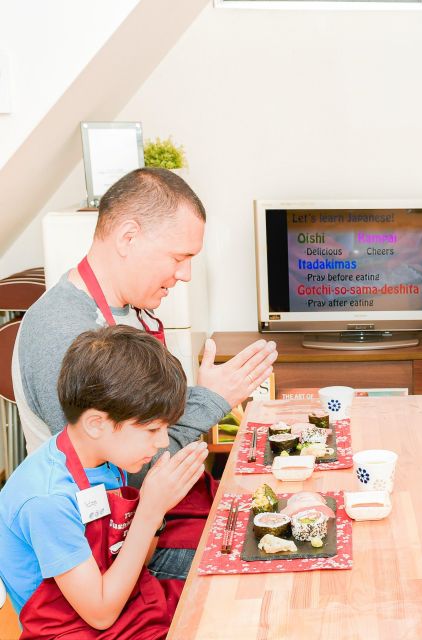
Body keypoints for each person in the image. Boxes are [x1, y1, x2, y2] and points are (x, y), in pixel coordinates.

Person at [11, 167, 277, 579]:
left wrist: (200, 395)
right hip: (106, 554)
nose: (186, 274)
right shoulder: (63, 332)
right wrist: (210, 401)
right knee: (267, 560)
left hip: (148, 521)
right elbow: (134, 466)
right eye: (179, 257)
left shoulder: (126, 311)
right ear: (128, 238)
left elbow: (142, 425)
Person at [0, 325, 208, 639]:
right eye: (152, 430)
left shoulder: (103, 458)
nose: (163, 442)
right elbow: (100, 615)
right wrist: (150, 511)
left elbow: (132, 558)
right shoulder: (47, 500)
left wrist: (158, 512)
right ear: (97, 423)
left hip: (128, 605)